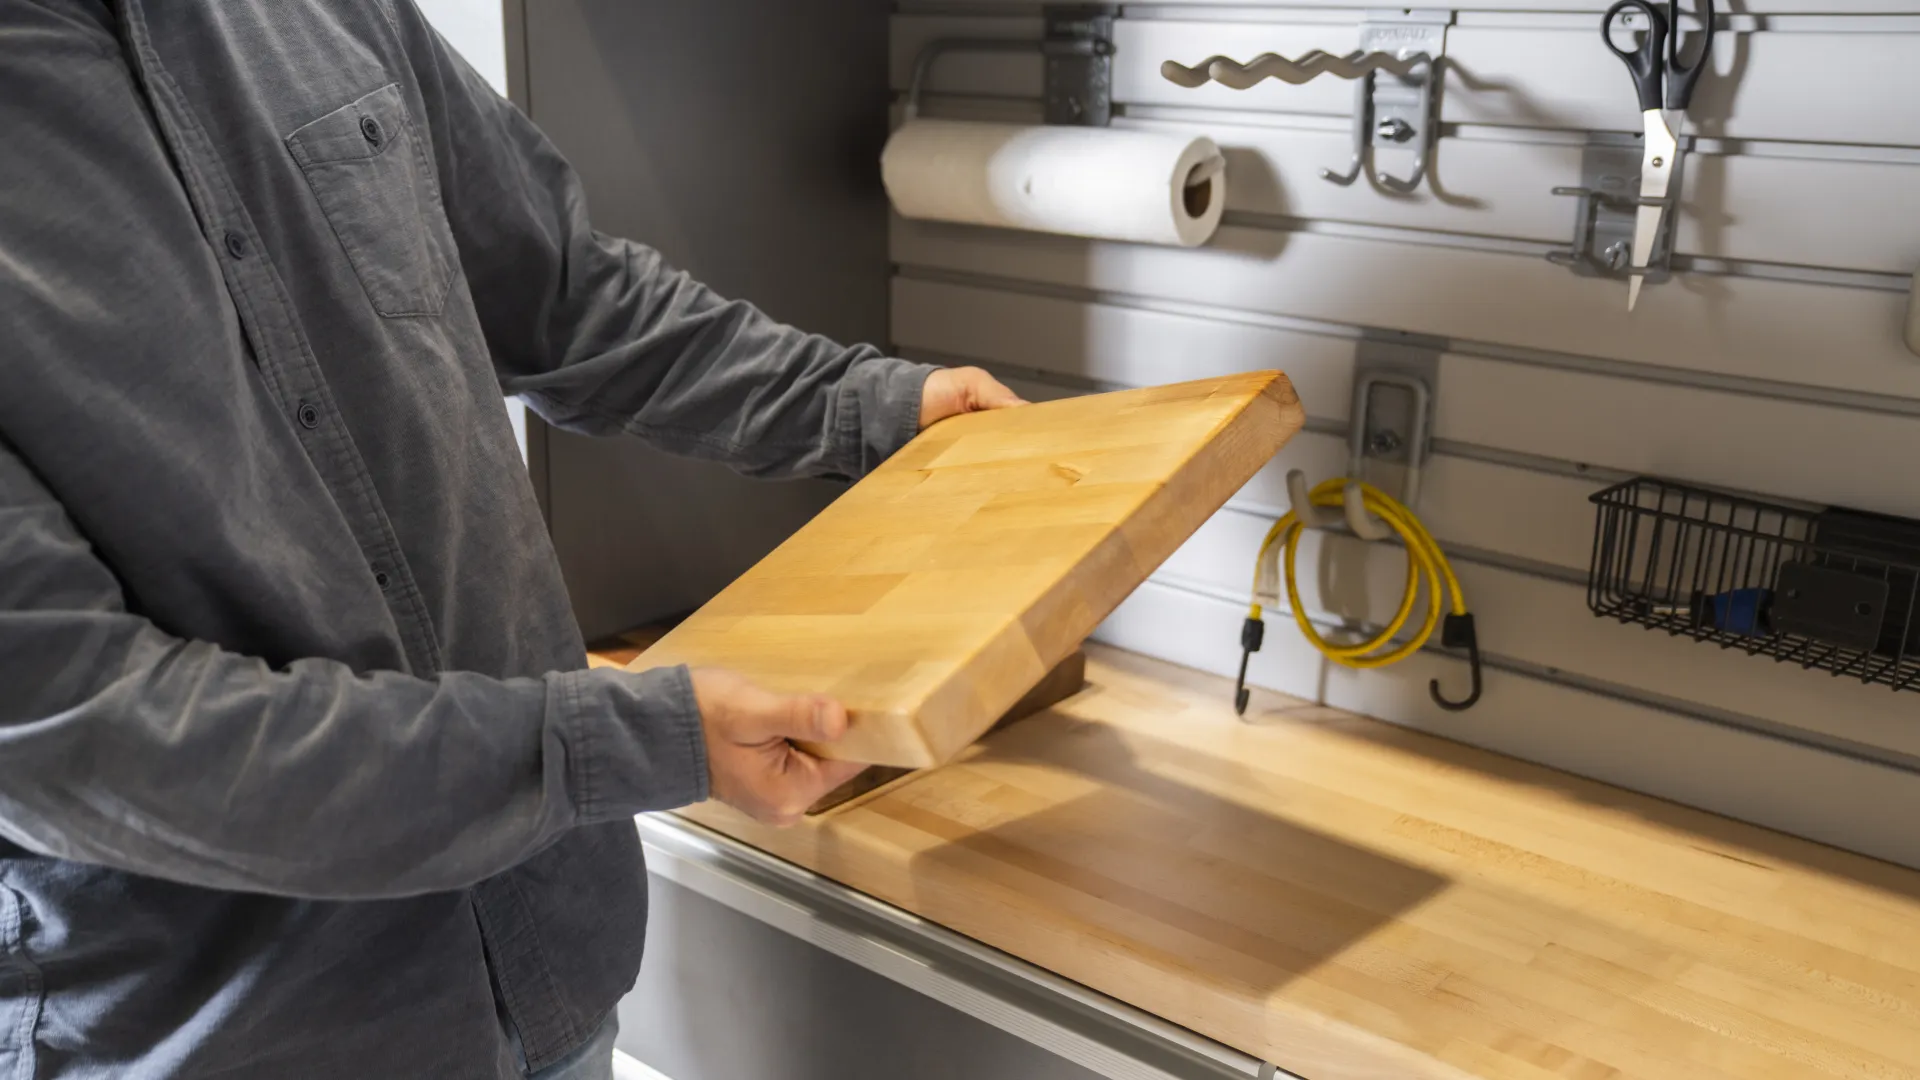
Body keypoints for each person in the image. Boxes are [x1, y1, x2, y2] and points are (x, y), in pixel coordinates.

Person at [0, 1, 1022, 1076]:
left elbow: (567, 296)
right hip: (243, 1039)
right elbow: (100, 731)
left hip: (554, 973)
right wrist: (624, 740)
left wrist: (866, 405)